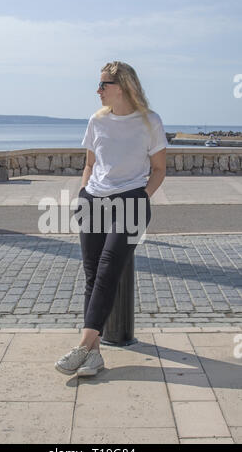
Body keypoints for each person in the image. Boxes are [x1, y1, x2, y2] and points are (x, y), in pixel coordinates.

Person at [55, 61, 167, 377]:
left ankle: (82, 345)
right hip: (93, 200)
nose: (98, 90)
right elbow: (89, 164)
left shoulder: (150, 122)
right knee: (93, 274)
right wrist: (83, 192)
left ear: (123, 87)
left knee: (108, 267)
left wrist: (142, 197)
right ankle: (94, 355)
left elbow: (159, 169)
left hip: (131, 200)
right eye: (100, 84)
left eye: (104, 84)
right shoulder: (97, 121)